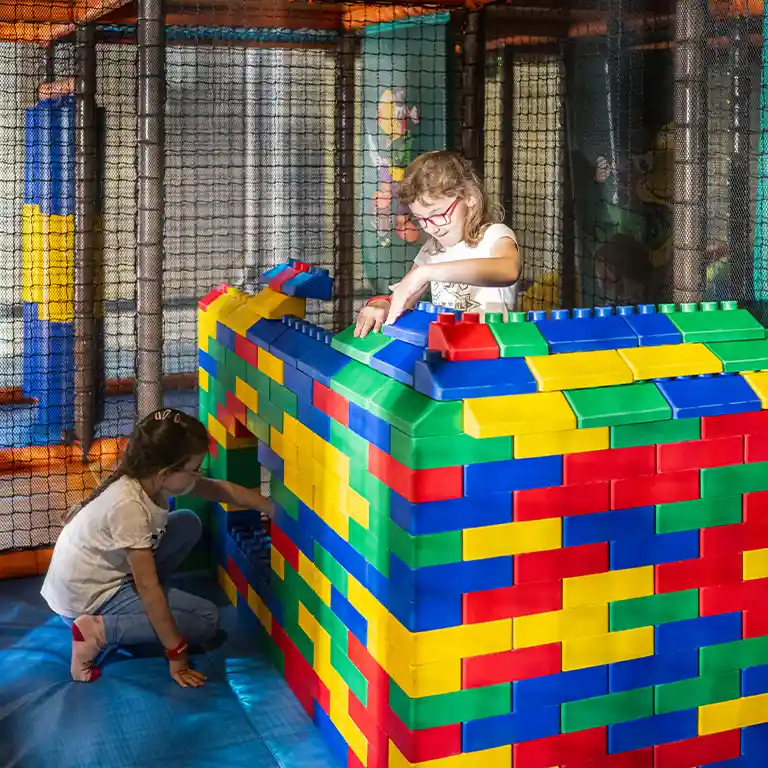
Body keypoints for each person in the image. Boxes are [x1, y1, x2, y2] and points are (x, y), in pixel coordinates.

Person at [41, 408, 273, 687]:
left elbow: (218, 489)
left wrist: (270, 507)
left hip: (97, 578)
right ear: (165, 473)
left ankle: (134, 608)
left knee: (187, 523)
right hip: (86, 601)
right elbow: (149, 587)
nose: (197, 475)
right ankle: (96, 631)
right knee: (206, 619)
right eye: (194, 469)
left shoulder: (150, 478)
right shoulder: (129, 507)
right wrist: (177, 654)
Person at [355, 150, 522, 338]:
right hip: (448, 346)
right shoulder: (432, 249)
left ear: (469, 197)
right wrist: (381, 305)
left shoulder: (494, 235)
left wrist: (427, 272)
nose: (431, 228)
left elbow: (509, 270)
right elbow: (403, 297)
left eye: (438, 214)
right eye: (421, 219)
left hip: (491, 346)